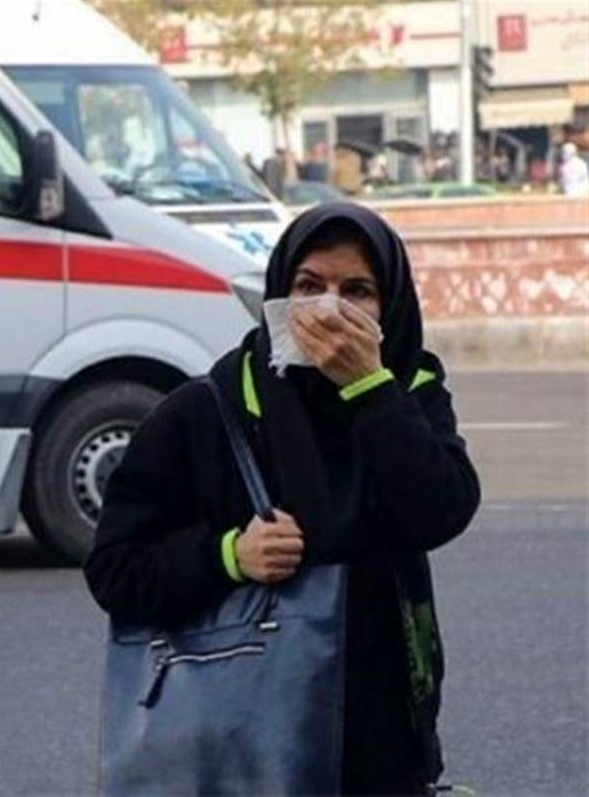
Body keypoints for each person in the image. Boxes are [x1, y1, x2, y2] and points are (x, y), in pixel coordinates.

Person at [84, 203, 480, 795]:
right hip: (248, 742)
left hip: (386, 731)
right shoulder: (207, 411)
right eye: (308, 286)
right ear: (278, 293)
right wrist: (228, 555)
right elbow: (115, 571)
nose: (328, 309)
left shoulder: (409, 391)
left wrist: (370, 391)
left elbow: (441, 511)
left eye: (357, 291)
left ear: (391, 305)